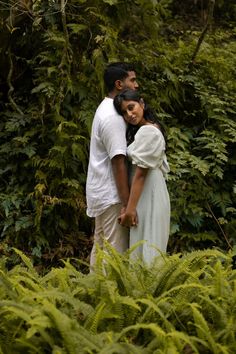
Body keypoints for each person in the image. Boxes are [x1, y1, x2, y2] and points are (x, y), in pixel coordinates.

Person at [86, 62, 139, 269]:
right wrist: (127, 206)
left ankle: (92, 294)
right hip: (111, 195)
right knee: (113, 256)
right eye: (132, 80)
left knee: (100, 251)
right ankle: (109, 299)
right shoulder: (113, 117)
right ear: (119, 84)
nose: (136, 85)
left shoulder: (107, 108)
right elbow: (118, 162)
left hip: (102, 191)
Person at [113, 89, 170, 263]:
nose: (129, 114)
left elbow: (140, 175)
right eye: (124, 112)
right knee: (143, 248)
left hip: (149, 194)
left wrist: (129, 210)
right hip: (143, 194)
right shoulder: (144, 130)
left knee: (148, 249)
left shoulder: (149, 132)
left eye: (131, 107)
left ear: (142, 104)